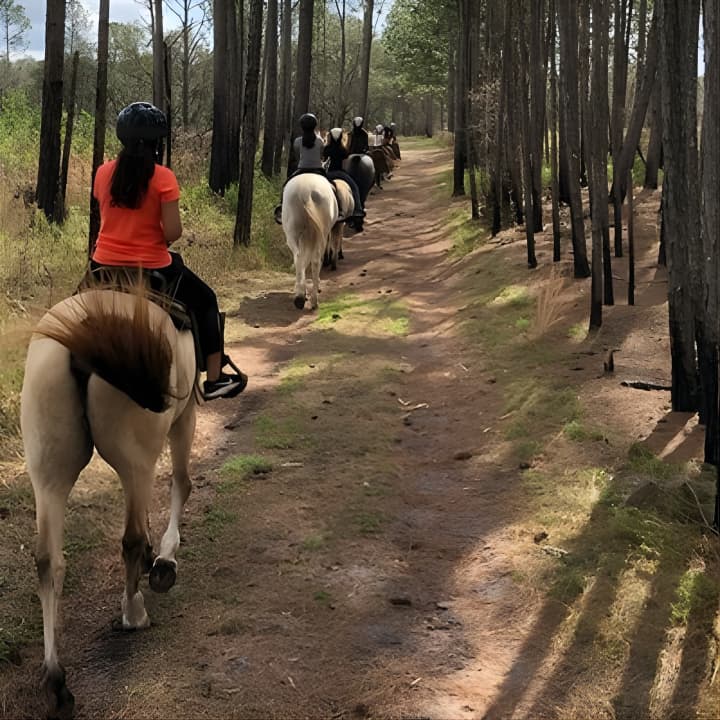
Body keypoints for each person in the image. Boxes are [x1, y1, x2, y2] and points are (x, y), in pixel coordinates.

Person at [89, 101, 247, 401]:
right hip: (153, 271)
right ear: (156, 142)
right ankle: (214, 379)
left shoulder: (102, 173)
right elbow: (173, 232)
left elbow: (109, 219)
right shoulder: (163, 178)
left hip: (103, 268)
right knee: (206, 301)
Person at [323, 128, 365, 222]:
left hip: (328, 174)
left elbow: (324, 160)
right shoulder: (342, 150)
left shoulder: (326, 149)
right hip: (339, 173)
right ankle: (358, 210)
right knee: (354, 187)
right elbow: (345, 163)